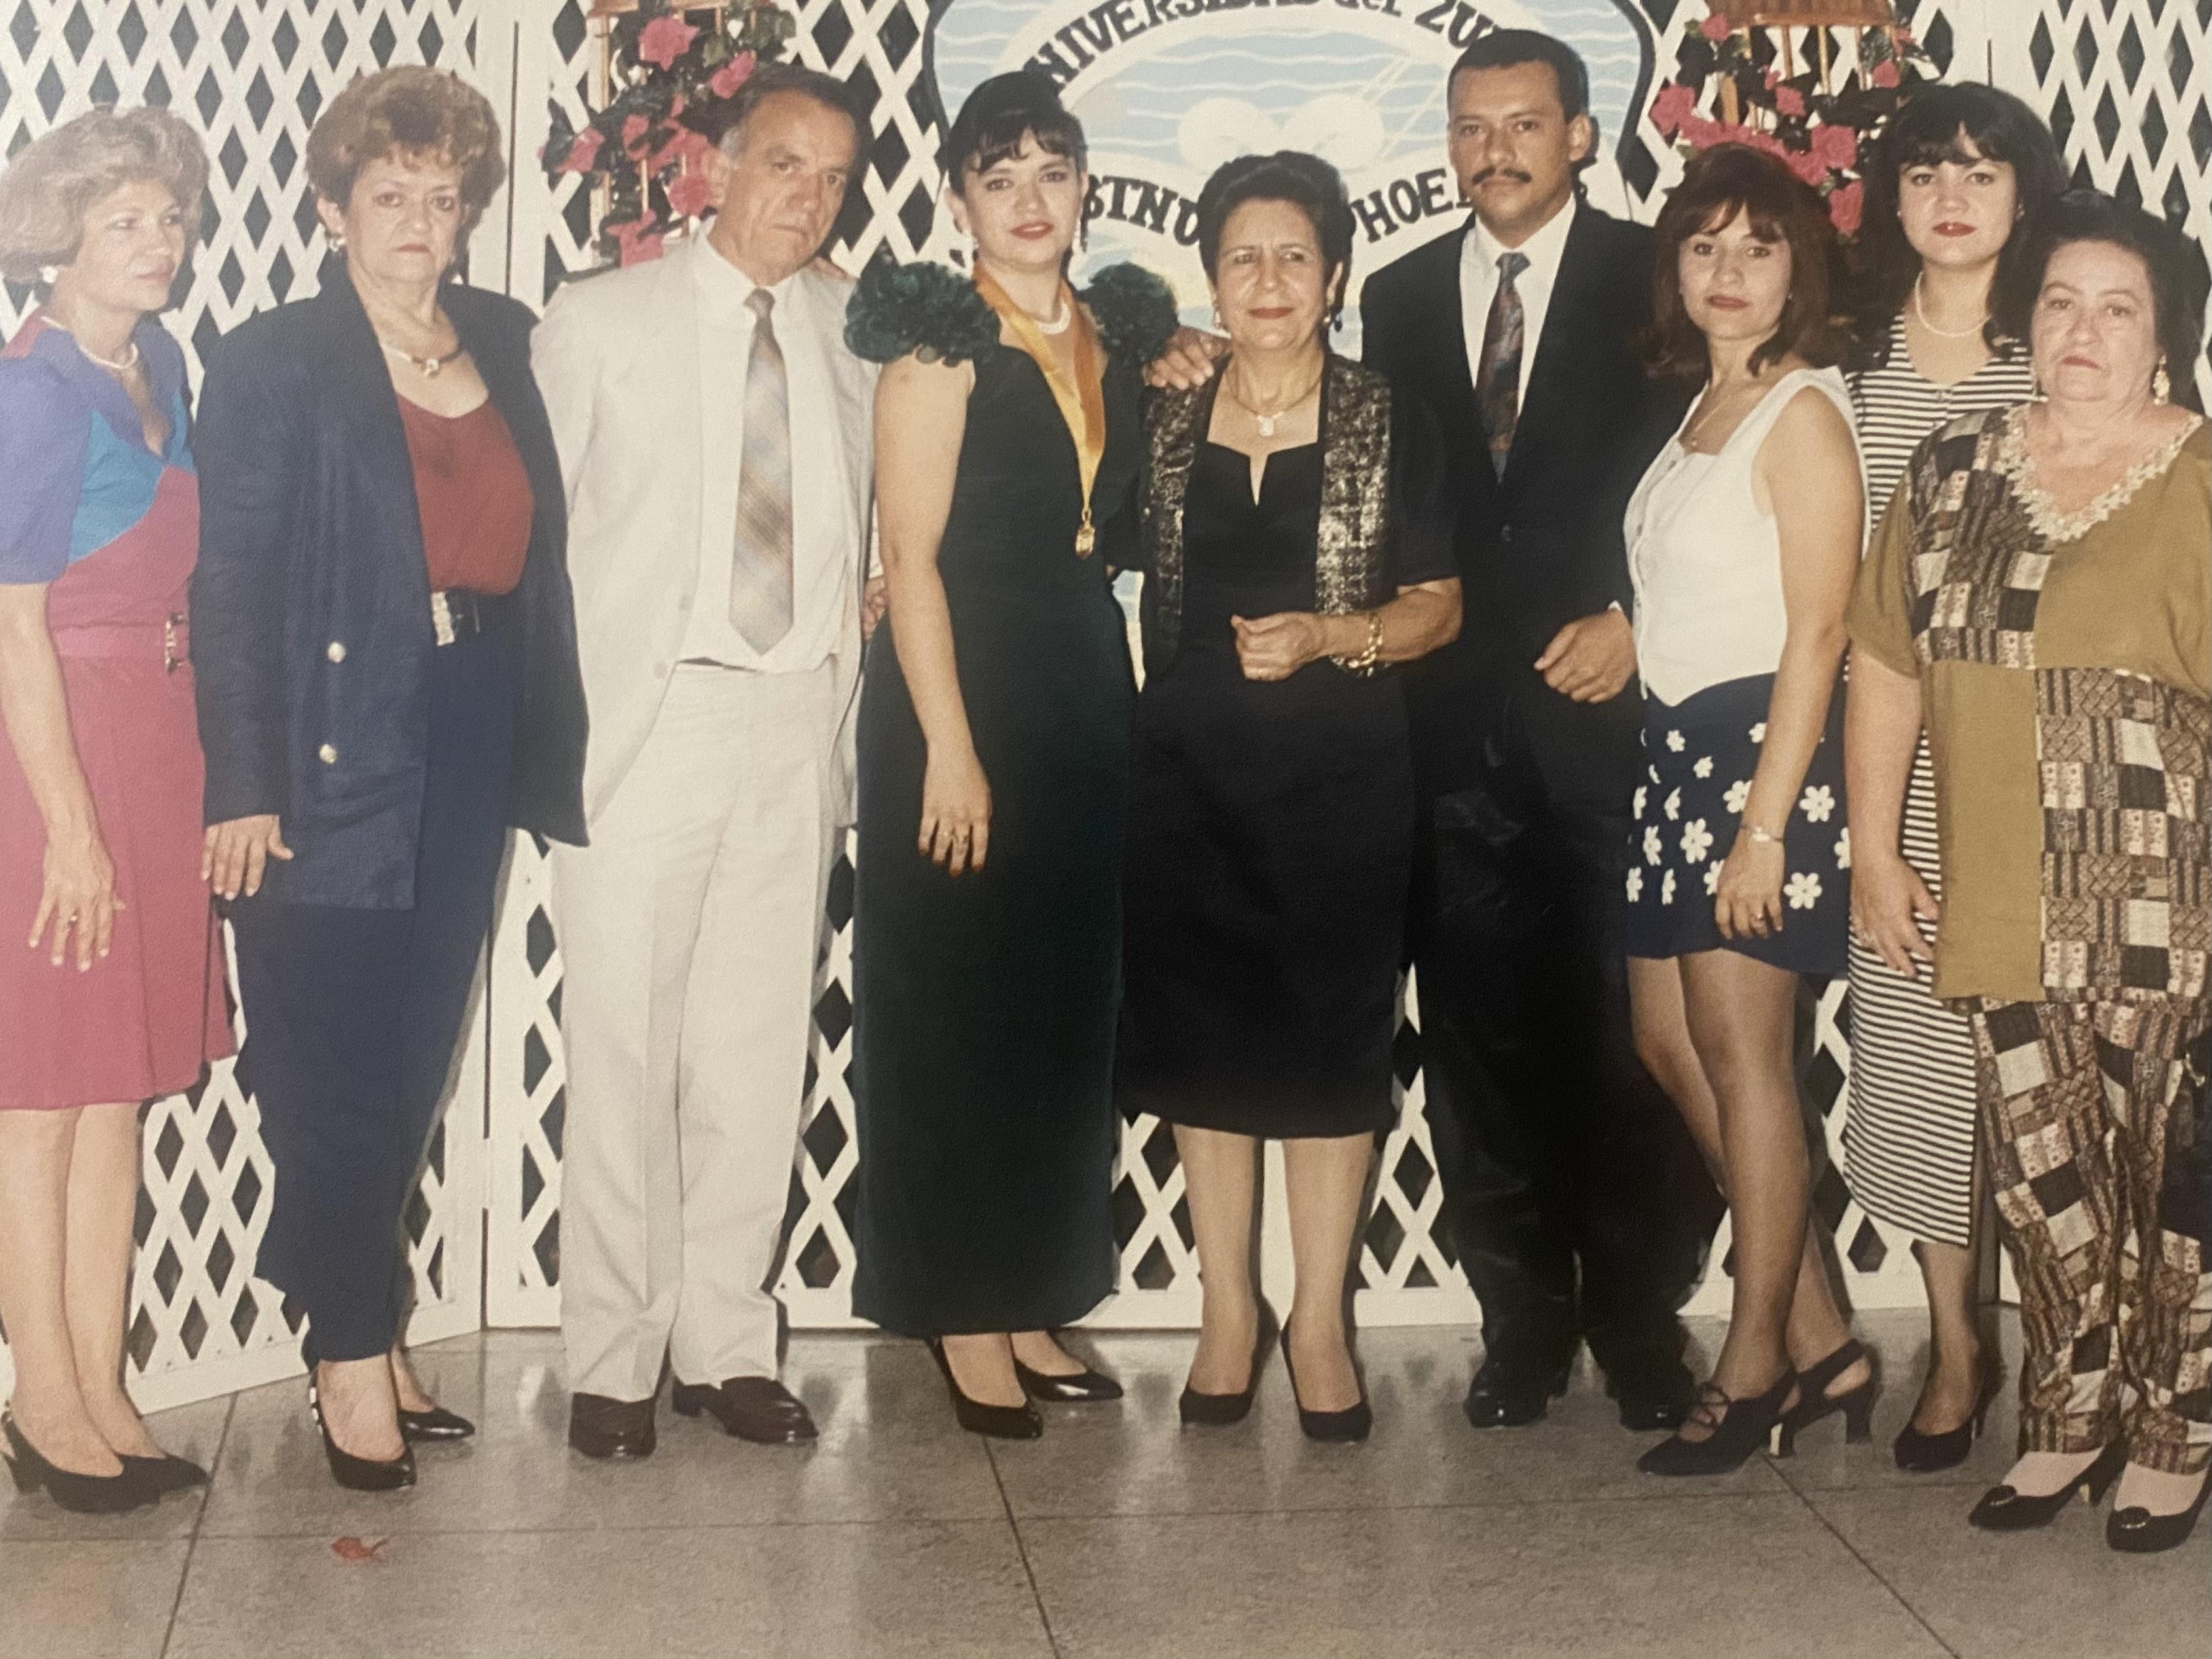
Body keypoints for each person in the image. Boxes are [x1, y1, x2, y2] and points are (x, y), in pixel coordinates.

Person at [192, 67, 588, 1491]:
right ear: (331, 206)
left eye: (444, 196)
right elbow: (228, 585)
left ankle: (354, 1306)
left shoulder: (508, 337)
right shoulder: (275, 357)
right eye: (390, 195)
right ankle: (351, 1346)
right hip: (324, 735)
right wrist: (241, 781)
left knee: (415, 1043)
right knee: (328, 1056)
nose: (421, 221)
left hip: (473, 711)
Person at [1848, 189, 2209, 1553]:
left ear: (2164, 339)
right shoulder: (1950, 467)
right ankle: (2067, 1413)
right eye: (2060, 302)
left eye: (2118, 309)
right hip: (2000, 895)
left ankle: (2175, 1427)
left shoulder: (2202, 476)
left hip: (2172, 906)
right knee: (2042, 1179)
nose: (2083, 331)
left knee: (2174, 1185)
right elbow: (1885, 659)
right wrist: (1875, 845)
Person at [1358, 29, 1708, 1432]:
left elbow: (1715, 462)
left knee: (1634, 1028)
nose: (1492, 150)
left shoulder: (1656, 276)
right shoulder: (1392, 296)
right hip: (1446, 725)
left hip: (1611, 710)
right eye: (1469, 126)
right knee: (1480, 1036)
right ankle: (1520, 1323)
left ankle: (1637, 1317)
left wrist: (1636, 617)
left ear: (1580, 134)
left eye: (1522, 123)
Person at [533, 62, 877, 1462]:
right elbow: (540, 545)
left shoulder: (853, 331)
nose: (809, 197)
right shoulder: (601, 320)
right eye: (785, 164)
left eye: (834, 177)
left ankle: (726, 1343)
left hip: (795, 721)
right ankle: (613, 1356)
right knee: (623, 1049)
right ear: (719, 168)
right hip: (650, 723)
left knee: (754, 1045)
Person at [844, 71, 1177, 1438]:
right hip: (958, 695)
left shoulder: (1116, 334)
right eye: (1000, 178)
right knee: (955, 1011)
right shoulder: (939, 347)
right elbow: (910, 558)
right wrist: (950, 750)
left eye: (1051, 171)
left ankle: (1035, 1292)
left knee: (1057, 1010)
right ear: (958, 201)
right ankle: (961, 1307)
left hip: (1078, 690)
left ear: (1084, 186)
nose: (1030, 200)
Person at [1119, 153, 1461, 1444]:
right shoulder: (1162, 409)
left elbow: (1440, 607)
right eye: (1242, 258)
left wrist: (1331, 636)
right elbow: (1066, 535)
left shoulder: (1390, 415)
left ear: (1335, 276)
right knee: (1206, 1052)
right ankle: (1228, 1311)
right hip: (1185, 774)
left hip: (1342, 777)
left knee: (1329, 1052)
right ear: (1210, 278)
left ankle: (1318, 1320)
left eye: (1293, 257)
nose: (1268, 281)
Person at [1622, 143, 1869, 1476]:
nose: (1727, 272)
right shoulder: (1704, 405)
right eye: (1704, 246)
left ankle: (1757, 1355)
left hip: (1755, 763)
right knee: (1670, 1041)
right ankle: (1826, 1334)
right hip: (1675, 758)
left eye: (1758, 248)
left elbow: (1818, 631)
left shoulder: (1803, 412)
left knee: (1744, 1059)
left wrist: (1765, 827)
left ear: (1797, 271)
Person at [1839, 84, 2064, 1474]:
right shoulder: (1849, 356)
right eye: (1927, 171)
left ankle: (2072, 1340)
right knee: (1918, 1045)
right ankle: (1954, 1336)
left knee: (2039, 1056)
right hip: (1886, 745)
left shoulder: (2058, 347)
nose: (1953, 196)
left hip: (2030, 748)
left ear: (2024, 196)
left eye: (1982, 172)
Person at [0, 107, 222, 1514]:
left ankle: (103, 1380)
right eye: (124, 221)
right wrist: (70, 828)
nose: (158, 242)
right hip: (50, 761)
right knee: (39, 1095)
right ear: (58, 238)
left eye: (170, 217)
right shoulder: (28, 394)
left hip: (155, 742)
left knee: (117, 1083)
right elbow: (10, 627)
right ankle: (41, 1400)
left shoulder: (162, 364)